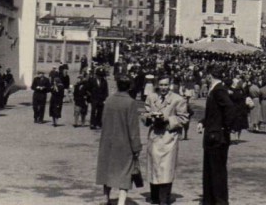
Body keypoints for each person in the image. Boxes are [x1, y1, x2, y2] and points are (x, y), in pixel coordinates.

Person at [143, 77, 189, 205]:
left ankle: (164, 199)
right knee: (154, 167)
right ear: (157, 85)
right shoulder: (151, 97)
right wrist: (149, 118)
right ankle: (154, 197)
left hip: (169, 137)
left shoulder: (178, 99)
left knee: (166, 168)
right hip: (154, 136)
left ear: (170, 85)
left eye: (166, 85)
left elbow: (184, 119)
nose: (163, 88)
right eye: (161, 85)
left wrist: (167, 119)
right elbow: (145, 113)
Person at [96, 77, 142, 205]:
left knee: (107, 171)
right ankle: (121, 202)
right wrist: (136, 147)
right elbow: (133, 128)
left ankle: (106, 198)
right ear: (130, 87)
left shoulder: (109, 100)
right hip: (124, 144)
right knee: (125, 173)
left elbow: (103, 121)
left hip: (107, 142)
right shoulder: (131, 103)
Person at [198, 65, 235, 205]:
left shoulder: (219, 90)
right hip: (213, 135)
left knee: (217, 172)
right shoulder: (216, 89)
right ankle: (210, 200)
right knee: (210, 171)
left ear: (209, 76)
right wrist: (204, 122)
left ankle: (219, 202)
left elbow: (229, 109)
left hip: (217, 138)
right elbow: (215, 113)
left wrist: (223, 128)